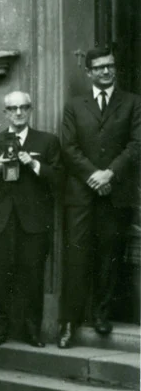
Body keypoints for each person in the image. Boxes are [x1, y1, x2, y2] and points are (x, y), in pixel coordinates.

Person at [59, 47, 140, 348]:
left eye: (111, 66)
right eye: (100, 67)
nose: (107, 71)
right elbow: (69, 147)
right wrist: (94, 175)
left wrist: (110, 174)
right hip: (82, 192)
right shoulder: (74, 106)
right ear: (89, 72)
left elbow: (136, 144)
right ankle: (69, 322)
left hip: (115, 192)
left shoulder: (133, 103)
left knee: (109, 255)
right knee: (77, 256)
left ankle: (101, 314)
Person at [0, 92, 62, 349]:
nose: (19, 113)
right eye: (13, 108)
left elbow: (59, 178)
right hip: (0, 220)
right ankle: (0, 327)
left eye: (24, 107)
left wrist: (34, 164)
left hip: (33, 221)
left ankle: (32, 329)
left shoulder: (47, 141)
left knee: (33, 274)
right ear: (5, 112)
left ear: (31, 110)